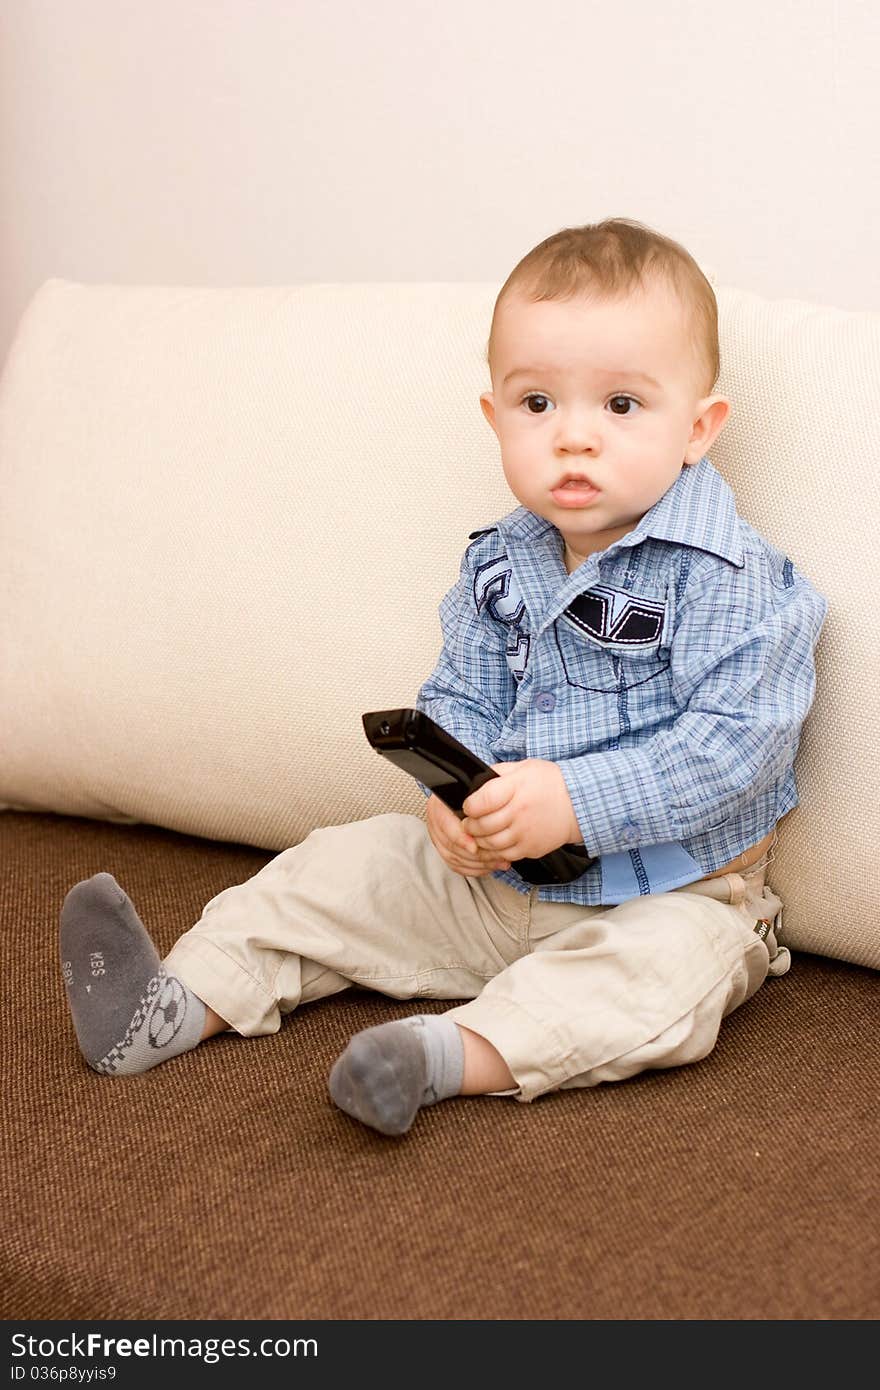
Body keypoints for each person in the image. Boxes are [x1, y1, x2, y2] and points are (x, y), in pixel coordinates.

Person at [59, 217, 827, 1136]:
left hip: (674, 896)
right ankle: (176, 1001)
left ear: (698, 429)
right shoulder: (498, 564)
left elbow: (735, 749)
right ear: (495, 418)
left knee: (664, 985)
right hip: (491, 885)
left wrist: (575, 800)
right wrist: (450, 802)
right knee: (340, 866)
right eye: (538, 404)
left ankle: (442, 1057)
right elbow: (459, 696)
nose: (574, 438)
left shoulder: (741, 582)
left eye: (620, 405)